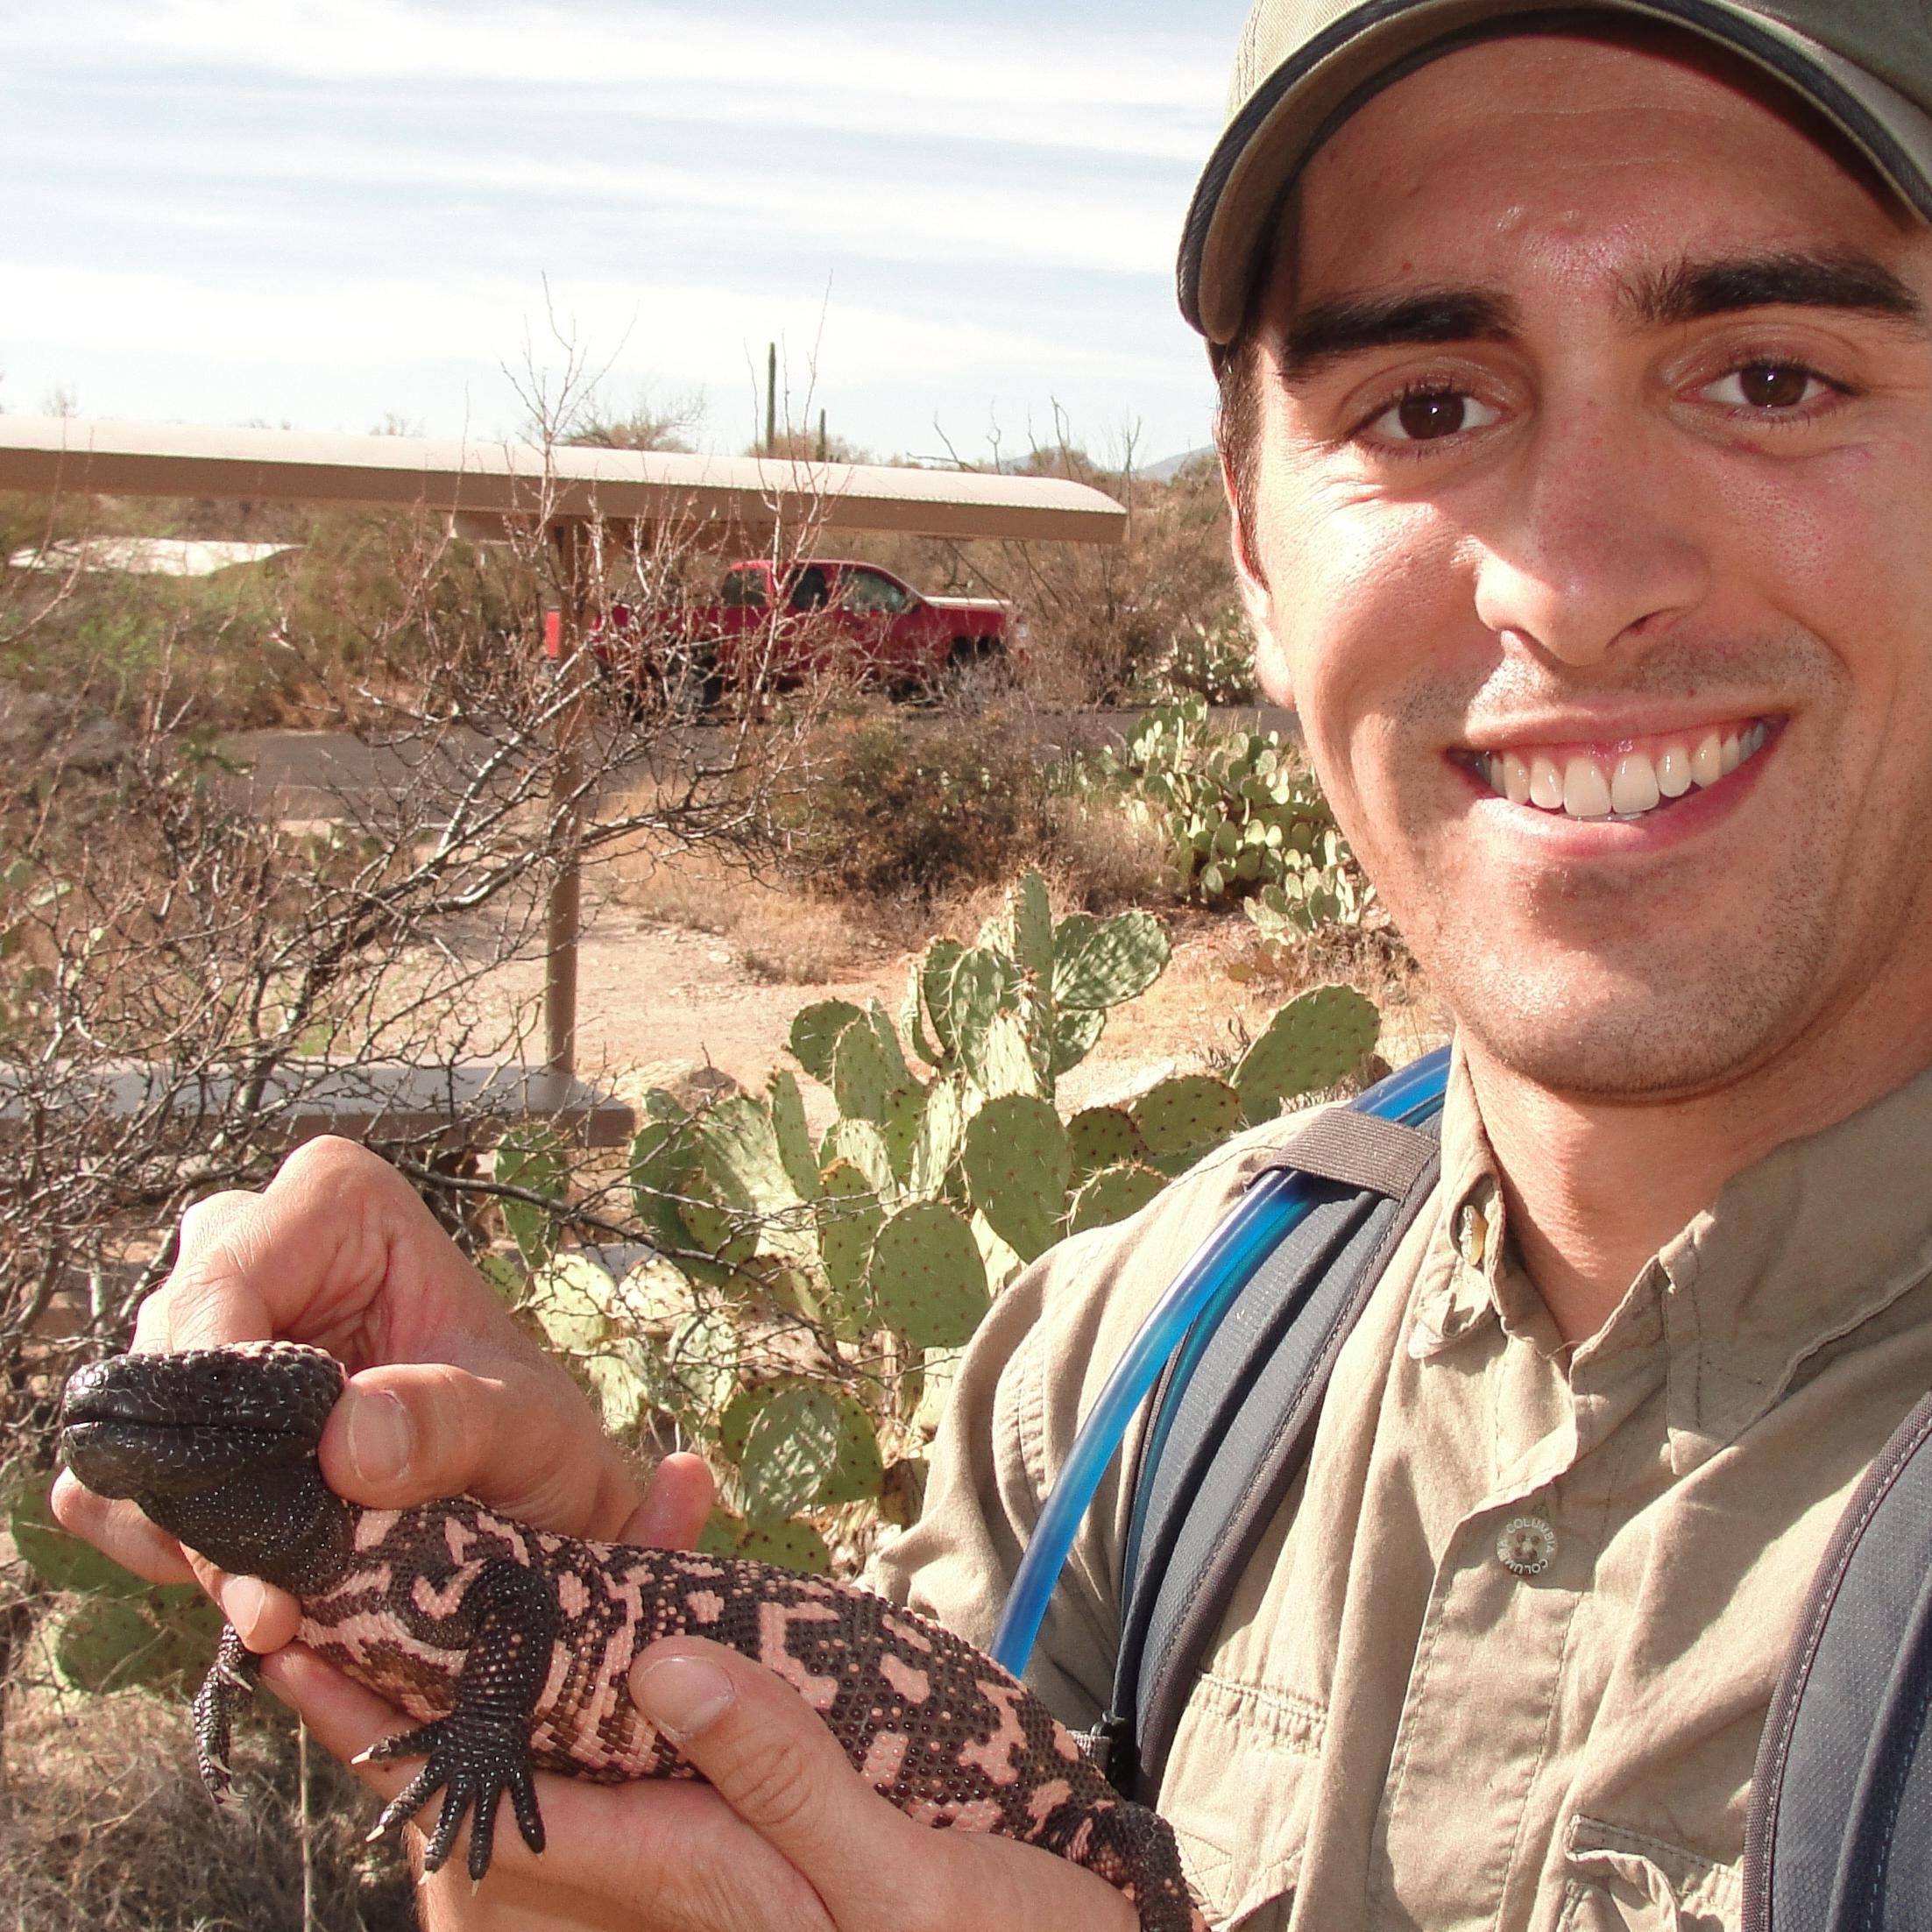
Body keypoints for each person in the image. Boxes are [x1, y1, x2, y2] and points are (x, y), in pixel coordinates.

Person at [55, 1, 1932, 1924]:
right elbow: (921, 1786)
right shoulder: (1129, 1365)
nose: (1570, 570)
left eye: (1771, 374)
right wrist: (629, 1674)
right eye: (1424, 406)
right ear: (1250, 547)